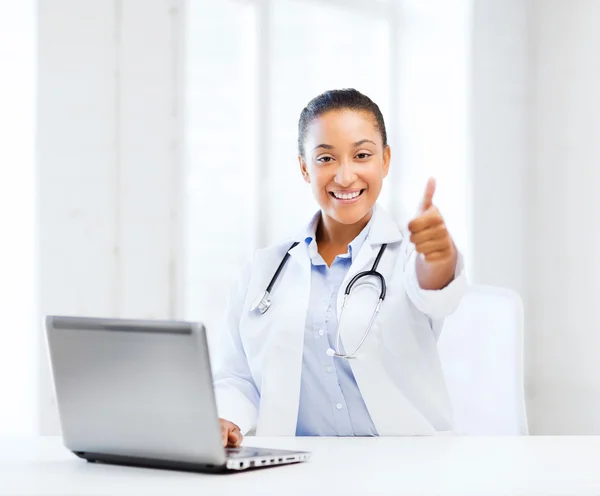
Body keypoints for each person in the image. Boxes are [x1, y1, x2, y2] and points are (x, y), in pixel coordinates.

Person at [213, 88, 467, 447]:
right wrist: (226, 418)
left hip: (407, 467)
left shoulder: (409, 254)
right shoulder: (265, 270)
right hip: (299, 469)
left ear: (385, 160)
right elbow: (239, 377)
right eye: (326, 159)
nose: (345, 177)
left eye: (362, 155)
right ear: (304, 167)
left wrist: (439, 256)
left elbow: (436, 293)